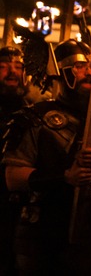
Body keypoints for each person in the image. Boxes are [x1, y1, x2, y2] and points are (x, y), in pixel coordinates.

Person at [2, 39, 91, 275]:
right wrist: (65, 177)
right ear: (60, 71)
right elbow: (12, 176)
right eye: (79, 67)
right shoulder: (35, 118)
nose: (88, 73)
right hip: (44, 233)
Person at [0, 46, 34, 276]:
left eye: (18, 67)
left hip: (18, 200)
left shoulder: (31, 110)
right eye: (3, 67)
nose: (12, 72)